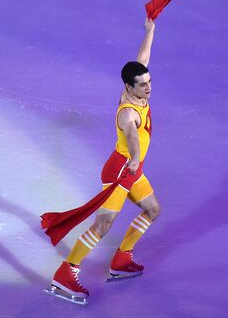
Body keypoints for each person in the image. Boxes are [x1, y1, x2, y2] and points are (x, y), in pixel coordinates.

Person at [50, 18, 161, 303]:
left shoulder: (136, 83)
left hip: (133, 171)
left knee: (151, 210)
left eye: (149, 82)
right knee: (102, 226)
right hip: (121, 172)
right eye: (143, 85)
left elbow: (142, 59)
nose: (148, 88)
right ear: (129, 86)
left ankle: (122, 258)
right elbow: (133, 137)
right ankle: (66, 272)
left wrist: (149, 31)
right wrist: (135, 158)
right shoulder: (128, 114)